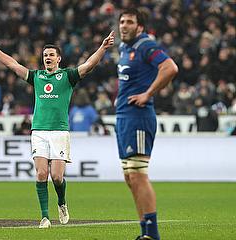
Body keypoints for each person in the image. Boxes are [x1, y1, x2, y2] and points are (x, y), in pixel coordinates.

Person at [0, 31, 114, 228]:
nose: (48, 58)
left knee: (57, 177)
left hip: (60, 131)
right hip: (39, 131)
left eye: (51, 55)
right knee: (41, 174)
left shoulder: (67, 76)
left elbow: (88, 66)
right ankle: (45, 217)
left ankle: (62, 203)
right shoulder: (36, 76)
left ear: (59, 58)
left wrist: (103, 48)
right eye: (45, 56)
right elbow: (13, 65)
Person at [116, 9, 178, 240]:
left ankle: (153, 235)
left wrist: (148, 93)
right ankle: (145, 233)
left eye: (129, 22)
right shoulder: (125, 48)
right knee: (130, 177)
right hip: (124, 116)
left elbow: (170, 67)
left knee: (139, 174)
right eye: (122, 21)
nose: (124, 25)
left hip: (138, 117)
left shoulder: (145, 46)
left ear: (140, 27)